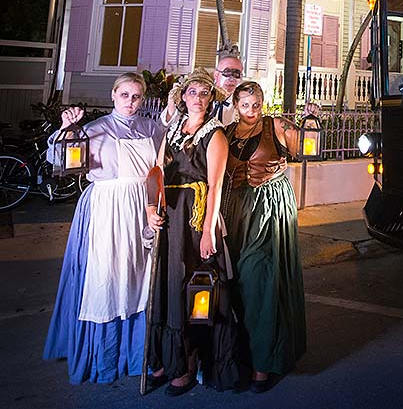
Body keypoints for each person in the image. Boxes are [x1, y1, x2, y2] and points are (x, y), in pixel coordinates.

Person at [42, 73, 167, 385]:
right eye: (125, 95)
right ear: (113, 95)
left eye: (137, 96)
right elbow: (59, 160)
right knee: (107, 278)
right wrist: (68, 129)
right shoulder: (94, 130)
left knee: (140, 277)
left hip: (143, 208)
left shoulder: (153, 129)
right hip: (107, 211)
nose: (130, 102)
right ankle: (106, 357)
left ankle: (139, 353)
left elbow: (165, 166)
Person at [148, 71, 240, 395]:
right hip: (171, 217)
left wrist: (208, 232)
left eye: (204, 93)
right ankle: (166, 359)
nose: (198, 98)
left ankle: (187, 363)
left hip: (196, 219)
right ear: (182, 96)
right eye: (192, 92)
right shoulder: (172, 130)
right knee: (168, 287)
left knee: (194, 291)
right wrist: (150, 209)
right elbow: (156, 173)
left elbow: (214, 186)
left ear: (210, 99)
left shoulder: (215, 135)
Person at [222, 80, 307, 392]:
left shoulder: (277, 126)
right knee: (234, 284)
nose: (251, 111)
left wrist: (305, 123)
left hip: (269, 208)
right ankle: (241, 353)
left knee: (258, 278)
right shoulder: (227, 132)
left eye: (256, 104)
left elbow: (302, 146)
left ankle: (263, 363)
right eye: (245, 105)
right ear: (235, 105)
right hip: (235, 210)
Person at [159, 51, 245, 128]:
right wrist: (171, 106)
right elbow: (166, 123)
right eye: (227, 73)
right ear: (216, 75)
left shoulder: (243, 103)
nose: (231, 78)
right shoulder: (196, 92)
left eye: (236, 74)